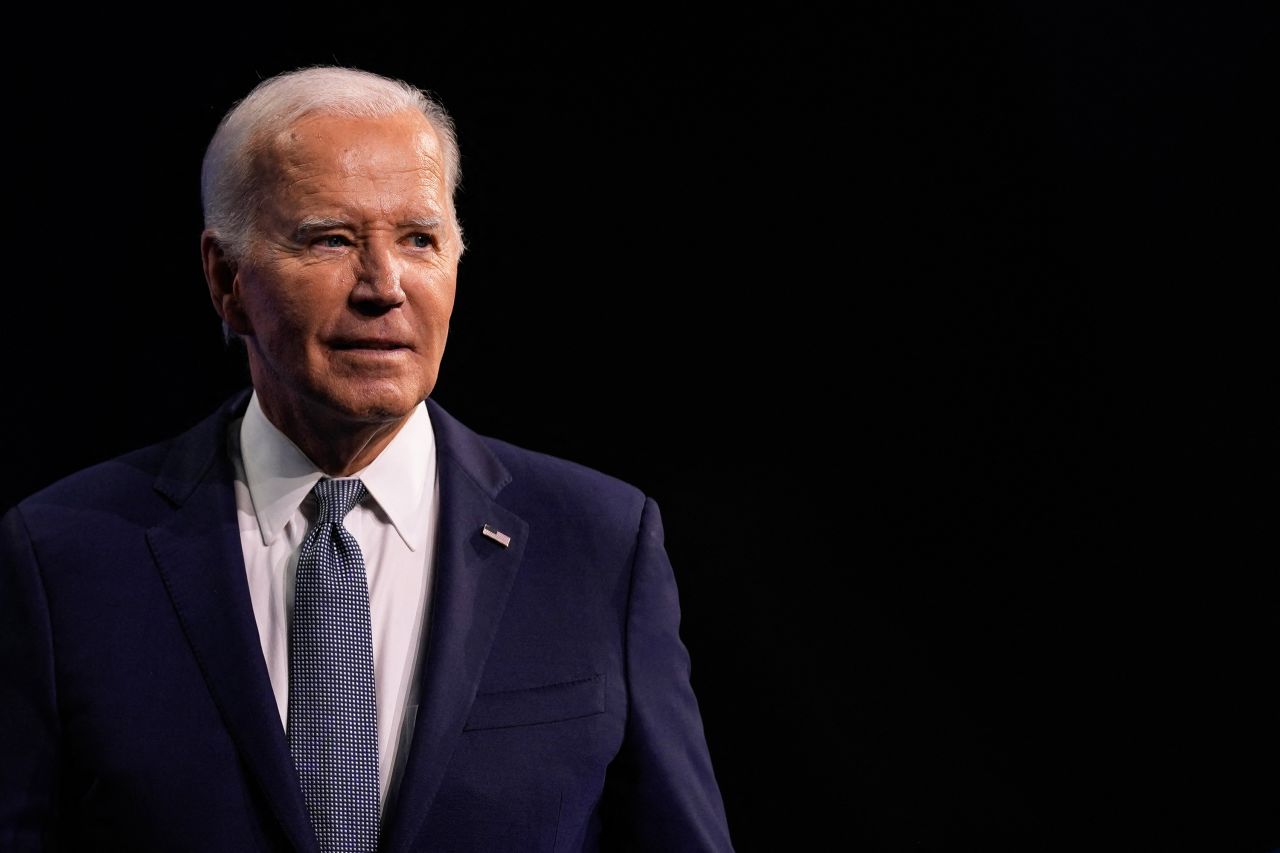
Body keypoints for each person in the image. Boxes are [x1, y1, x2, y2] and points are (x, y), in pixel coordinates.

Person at [0, 66, 733, 852]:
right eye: (332, 239)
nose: (384, 286)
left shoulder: (600, 543)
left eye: (419, 239)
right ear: (225, 278)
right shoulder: (63, 556)